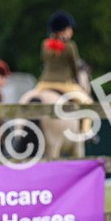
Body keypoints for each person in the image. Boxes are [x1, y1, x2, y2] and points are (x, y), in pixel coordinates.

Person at [29, 11, 91, 158]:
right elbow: (74, 66)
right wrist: (76, 78)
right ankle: (85, 132)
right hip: (63, 83)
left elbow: (45, 60)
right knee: (88, 103)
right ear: (64, 30)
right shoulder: (70, 46)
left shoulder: (45, 45)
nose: (71, 31)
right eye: (69, 28)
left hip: (44, 83)